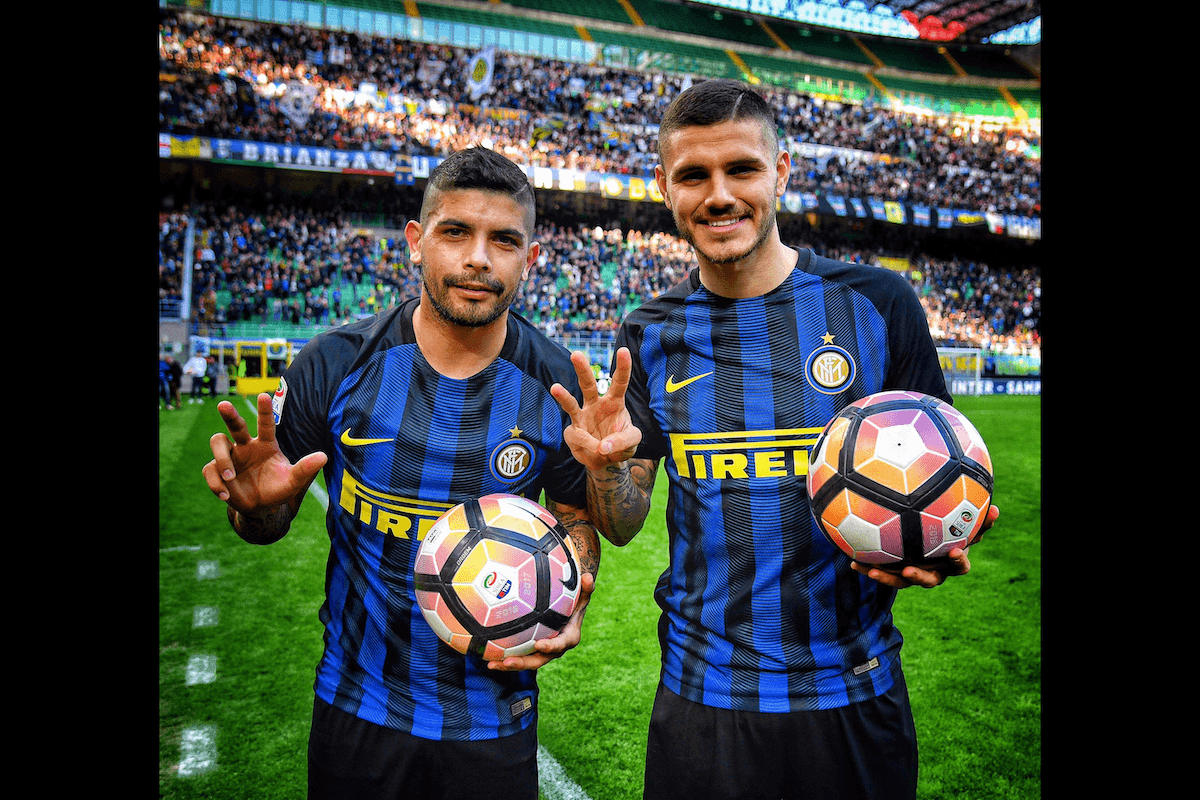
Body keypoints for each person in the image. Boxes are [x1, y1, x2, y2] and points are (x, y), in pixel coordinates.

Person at [550, 79, 1000, 800]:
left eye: (742, 169)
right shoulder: (648, 333)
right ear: (666, 188)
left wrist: (943, 545)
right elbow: (624, 524)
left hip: (855, 693)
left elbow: (946, 485)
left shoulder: (879, 306)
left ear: (781, 172)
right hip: (704, 701)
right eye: (694, 175)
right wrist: (606, 471)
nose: (719, 195)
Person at [202, 146, 601, 799]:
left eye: (503, 240)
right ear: (416, 242)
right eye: (455, 232)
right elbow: (265, 524)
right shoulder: (333, 363)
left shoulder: (555, 384)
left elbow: (577, 515)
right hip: (357, 705)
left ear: (530, 260)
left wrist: (573, 588)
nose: (478, 257)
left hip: (494, 715)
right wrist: (255, 505)